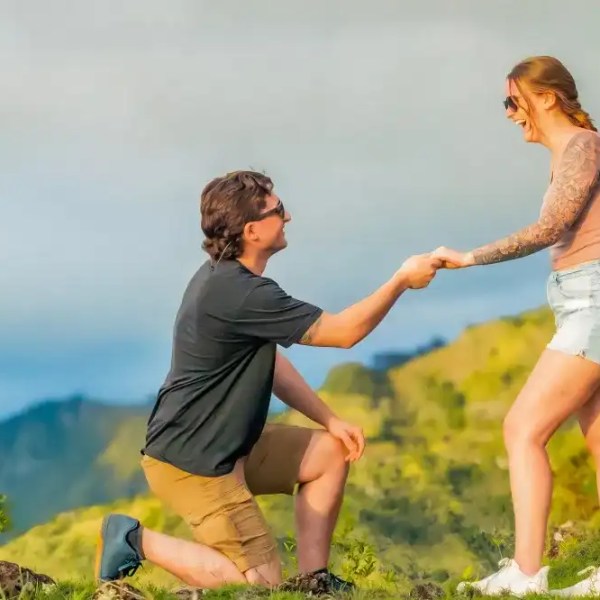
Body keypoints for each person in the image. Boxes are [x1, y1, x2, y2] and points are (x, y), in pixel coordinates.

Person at [94, 170, 441, 593]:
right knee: (257, 588)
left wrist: (330, 420)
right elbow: (344, 333)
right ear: (252, 230)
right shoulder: (238, 292)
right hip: (194, 465)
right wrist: (401, 280)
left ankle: (314, 582)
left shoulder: (231, 283)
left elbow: (271, 364)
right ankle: (130, 538)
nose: (288, 215)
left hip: (233, 447)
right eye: (277, 210)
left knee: (330, 453)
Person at [432, 56, 600, 597]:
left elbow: (553, 226)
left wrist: (469, 258)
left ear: (548, 97)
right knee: (597, 438)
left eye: (513, 101)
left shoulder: (584, 148)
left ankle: (527, 575)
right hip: (579, 301)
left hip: (593, 304)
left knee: (522, 428)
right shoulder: (575, 152)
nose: (509, 115)